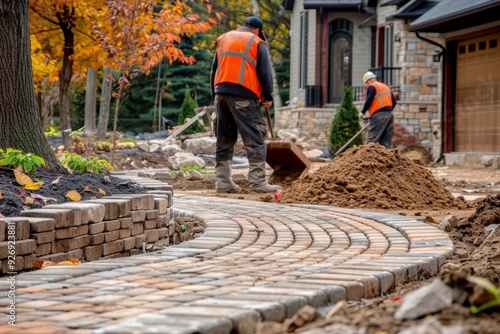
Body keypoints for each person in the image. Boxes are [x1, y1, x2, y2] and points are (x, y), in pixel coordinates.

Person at [210, 16, 282, 194]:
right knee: (255, 137)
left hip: (221, 93)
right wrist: (267, 96)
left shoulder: (224, 38)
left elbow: (214, 69)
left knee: (224, 137)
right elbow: (265, 72)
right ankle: (257, 183)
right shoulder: (257, 42)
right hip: (244, 95)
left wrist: (216, 94)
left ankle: (223, 182)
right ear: (257, 30)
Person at [360, 71, 397, 149]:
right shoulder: (385, 86)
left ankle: (366, 157)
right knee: (385, 140)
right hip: (389, 114)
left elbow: (369, 100)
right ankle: (384, 157)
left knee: (372, 138)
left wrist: (363, 112)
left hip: (378, 114)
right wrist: (387, 111)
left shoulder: (372, 86)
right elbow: (394, 101)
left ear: (368, 81)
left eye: (366, 83)